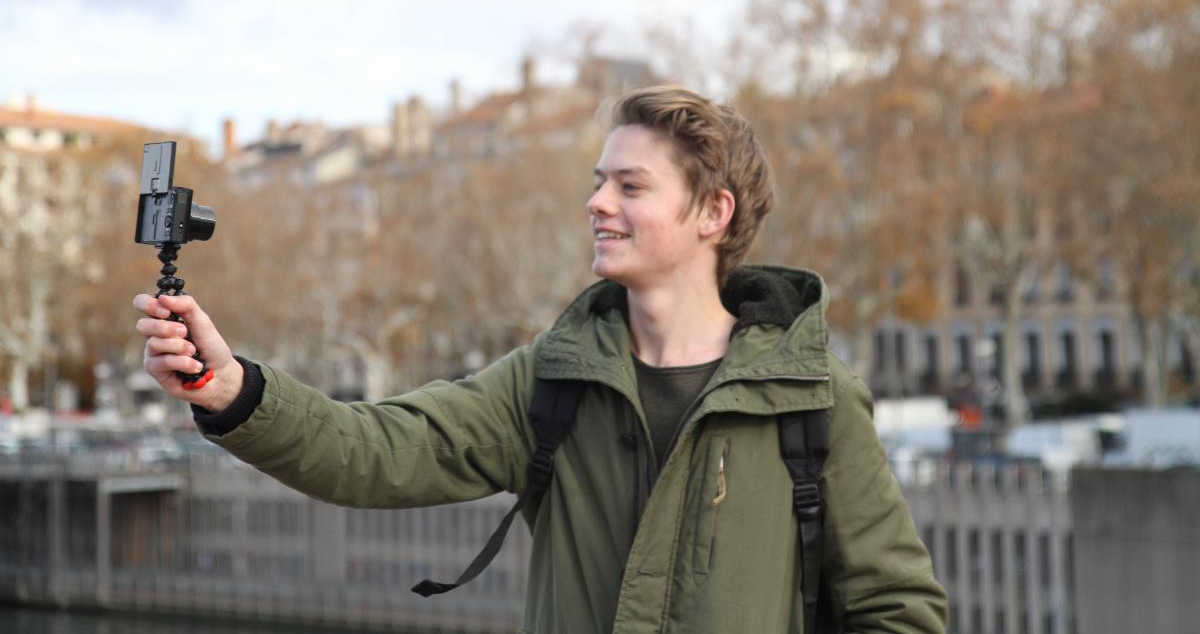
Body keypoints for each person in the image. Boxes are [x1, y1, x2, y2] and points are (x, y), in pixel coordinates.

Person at [134, 86, 948, 633]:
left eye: (630, 187)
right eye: (599, 183)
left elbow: (899, 608)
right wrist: (232, 388)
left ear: (713, 212)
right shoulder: (549, 380)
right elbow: (377, 451)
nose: (596, 203)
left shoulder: (814, 399)